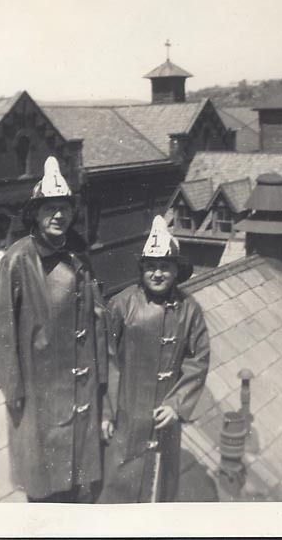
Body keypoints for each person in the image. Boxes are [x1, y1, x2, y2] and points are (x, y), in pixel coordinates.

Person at [0, 156, 108, 503]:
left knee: (74, 482)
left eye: (64, 208)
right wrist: (15, 389)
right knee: (44, 486)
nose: (59, 215)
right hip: (38, 394)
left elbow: (98, 319)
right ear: (35, 215)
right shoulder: (17, 260)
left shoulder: (78, 258)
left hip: (78, 390)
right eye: (49, 208)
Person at [98, 215, 210, 503]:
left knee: (160, 490)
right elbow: (106, 359)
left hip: (165, 421)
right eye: (151, 266)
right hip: (126, 416)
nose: (157, 274)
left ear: (176, 270)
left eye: (164, 266)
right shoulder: (122, 305)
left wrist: (177, 405)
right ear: (142, 270)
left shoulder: (190, 311)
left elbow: (197, 361)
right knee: (119, 487)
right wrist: (107, 412)